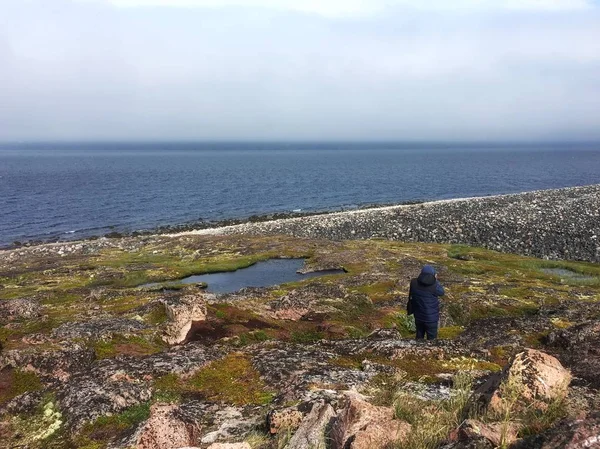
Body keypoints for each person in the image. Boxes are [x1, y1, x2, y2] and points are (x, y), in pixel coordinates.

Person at [407, 265, 445, 340]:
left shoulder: (414, 282)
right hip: (431, 319)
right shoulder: (435, 286)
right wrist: (436, 280)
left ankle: (417, 350)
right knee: (432, 340)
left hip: (418, 316)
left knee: (419, 337)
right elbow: (442, 292)